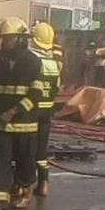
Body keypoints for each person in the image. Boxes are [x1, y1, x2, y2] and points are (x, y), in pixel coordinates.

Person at [0, 17, 42, 210]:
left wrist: (14, 110)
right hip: (0, 123)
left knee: (25, 160)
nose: (3, 42)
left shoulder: (32, 61)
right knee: (0, 160)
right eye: (3, 38)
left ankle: (25, 192)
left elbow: (36, 94)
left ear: (20, 39)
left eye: (8, 38)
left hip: (25, 123)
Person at [29, 22, 61, 197]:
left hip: (30, 109)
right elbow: (56, 87)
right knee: (41, 149)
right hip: (47, 111)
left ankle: (21, 186)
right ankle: (43, 184)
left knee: (25, 148)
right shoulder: (54, 62)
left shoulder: (31, 60)